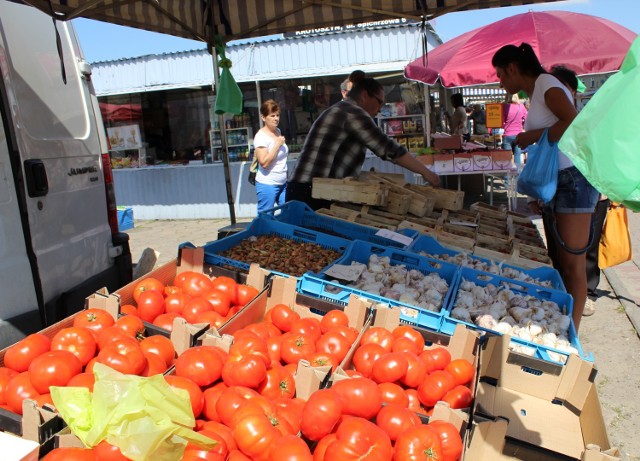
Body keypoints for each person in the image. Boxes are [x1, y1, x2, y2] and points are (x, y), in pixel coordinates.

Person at [492, 43, 599, 331]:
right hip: (561, 180)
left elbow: (572, 122)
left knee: (573, 267)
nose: (500, 81)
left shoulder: (547, 84)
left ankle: (571, 335)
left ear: (513, 68)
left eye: (501, 74)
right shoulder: (539, 88)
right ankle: (564, 327)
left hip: (574, 179)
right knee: (563, 264)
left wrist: (532, 136)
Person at [287, 77, 441, 210]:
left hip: (307, 188)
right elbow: (388, 148)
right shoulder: (352, 112)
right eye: (379, 102)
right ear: (365, 95)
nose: (379, 109)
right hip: (310, 191)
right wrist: (427, 173)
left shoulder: (340, 109)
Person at [548, 65, 610, 317]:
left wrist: (605, 188)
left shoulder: (585, 114)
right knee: (570, 251)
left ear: (569, 90)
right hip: (571, 185)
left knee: (584, 250)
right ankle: (574, 297)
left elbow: (602, 148)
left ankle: (587, 295)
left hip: (589, 184)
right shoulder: (561, 115)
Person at [254, 99, 288, 213]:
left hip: (283, 183)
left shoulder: (278, 131)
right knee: (266, 217)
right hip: (267, 184)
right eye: (272, 115)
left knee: (289, 211)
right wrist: (277, 145)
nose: (276, 118)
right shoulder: (260, 137)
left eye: (277, 115)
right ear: (263, 117)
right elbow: (264, 163)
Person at [501, 94, 527, 170]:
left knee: (507, 159)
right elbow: (527, 118)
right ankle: (518, 178)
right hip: (518, 135)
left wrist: (505, 125)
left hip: (507, 135)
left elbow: (501, 122)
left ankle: (507, 181)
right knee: (517, 157)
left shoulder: (504, 107)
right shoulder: (521, 107)